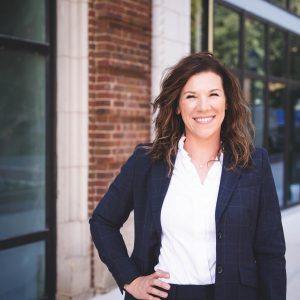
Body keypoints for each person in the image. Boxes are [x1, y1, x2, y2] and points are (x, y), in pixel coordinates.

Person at [90, 52, 286, 300]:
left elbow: (271, 251)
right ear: (177, 107)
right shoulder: (146, 162)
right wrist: (130, 279)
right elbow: (102, 221)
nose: (203, 106)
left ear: (227, 102)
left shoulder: (254, 163)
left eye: (213, 94)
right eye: (191, 96)